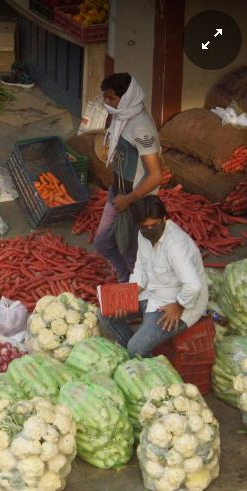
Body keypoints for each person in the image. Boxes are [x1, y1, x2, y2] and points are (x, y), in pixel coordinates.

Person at [99, 196, 208, 359]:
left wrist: (179, 305)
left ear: (164, 219)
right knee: (106, 314)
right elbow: (141, 270)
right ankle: (138, 356)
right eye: (145, 226)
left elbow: (194, 285)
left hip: (180, 304)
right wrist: (125, 298)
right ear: (138, 225)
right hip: (153, 293)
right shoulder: (144, 236)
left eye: (154, 225)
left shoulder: (176, 245)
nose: (150, 229)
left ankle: (144, 359)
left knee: (136, 348)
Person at [95, 73, 163, 283]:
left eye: (111, 98)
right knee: (103, 242)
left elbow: (156, 175)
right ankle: (125, 277)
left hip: (137, 200)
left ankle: (134, 290)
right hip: (119, 191)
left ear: (126, 99)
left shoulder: (141, 127)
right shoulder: (123, 116)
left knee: (133, 252)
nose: (107, 102)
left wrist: (129, 199)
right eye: (105, 97)